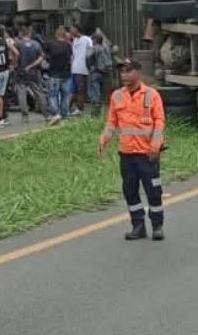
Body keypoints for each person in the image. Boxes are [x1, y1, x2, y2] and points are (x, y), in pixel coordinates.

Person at [98, 59, 166, 241]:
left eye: (128, 71)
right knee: (130, 191)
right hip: (127, 154)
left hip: (147, 154)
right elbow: (112, 122)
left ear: (138, 72)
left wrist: (155, 145)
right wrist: (104, 138)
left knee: (153, 191)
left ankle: (157, 226)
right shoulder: (117, 96)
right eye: (122, 72)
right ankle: (138, 226)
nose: (124, 75)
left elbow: (159, 122)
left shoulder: (151, 95)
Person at [13, 27, 53, 124]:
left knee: (22, 93)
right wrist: (32, 65)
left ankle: (25, 116)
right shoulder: (36, 44)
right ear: (29, 34)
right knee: (39, 93)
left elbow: (14, 56)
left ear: (21, 34)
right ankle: (46, 114)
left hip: (20, 72)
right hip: (34, 72)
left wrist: (15, 65)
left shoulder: (18, 44)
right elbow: (41, 57)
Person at [44, 28, 73, 122]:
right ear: (64, 35)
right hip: (66, 74)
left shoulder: (50, 44)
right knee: (66, 95)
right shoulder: (68, 45)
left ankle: (55, 113)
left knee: (52, 95)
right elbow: (71, 58)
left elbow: (45, 54)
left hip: (53, 74)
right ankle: (64, 115)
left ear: (56, 35)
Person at [69, 25, 93, 116]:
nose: (71, 32)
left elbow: (91, 51)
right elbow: (73, 55)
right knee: (74, 89)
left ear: (77, 30)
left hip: (82, 68)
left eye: (72, 30)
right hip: (74, 68)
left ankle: (80, 108)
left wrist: (89, 64)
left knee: (80, 89)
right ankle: (71, 107)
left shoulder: (87, 39)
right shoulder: (74, 41)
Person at [88, 34, 113, 116]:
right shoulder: (107, 47)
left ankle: (95, 113)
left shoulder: (94, 48)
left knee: (95, 92)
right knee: (103, 93)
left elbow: (88, 57)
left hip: (96, 71)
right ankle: (102, 112)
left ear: (95, 40)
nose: (92, 41)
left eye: (93, 40)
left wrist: (90, 67)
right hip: (106, 72)